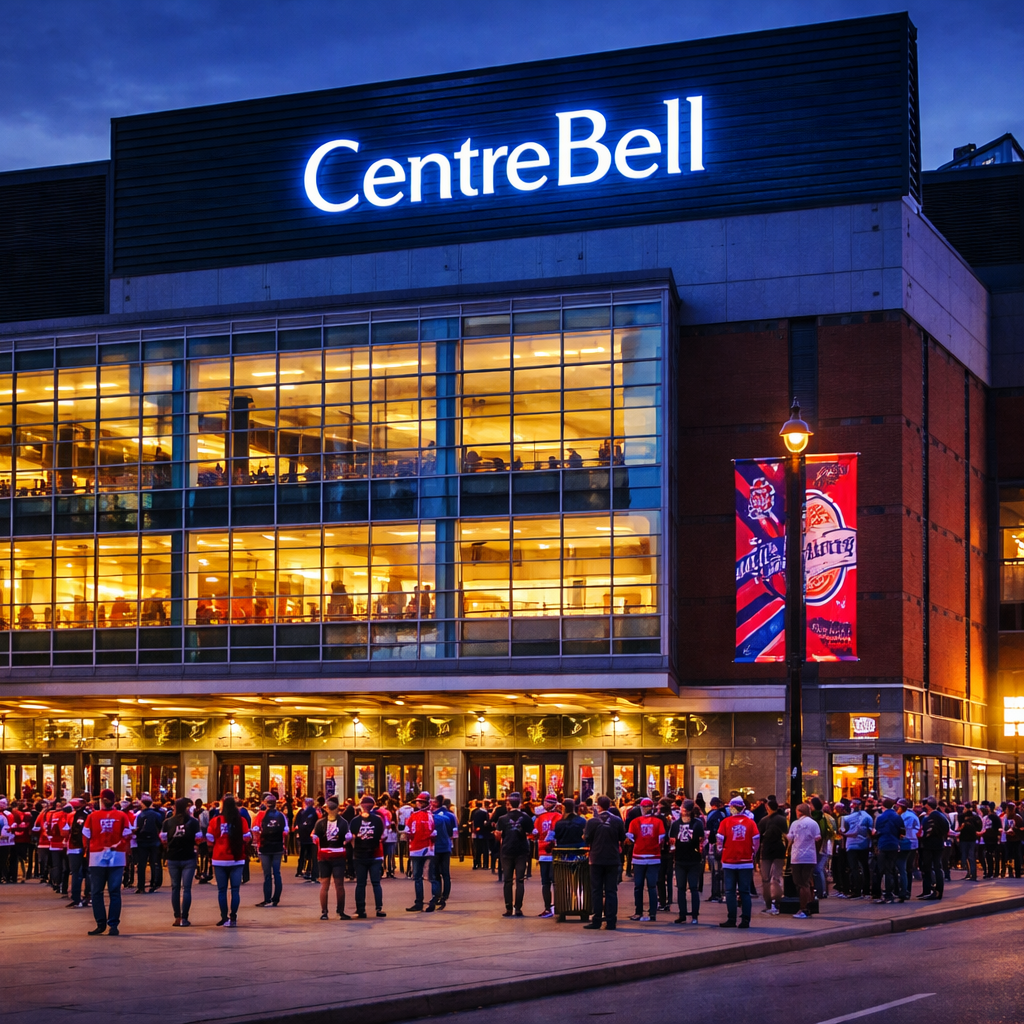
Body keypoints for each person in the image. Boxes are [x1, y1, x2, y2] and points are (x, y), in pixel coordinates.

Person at [82, 788, 132, 936]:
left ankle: (100, 923)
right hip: (117, 856)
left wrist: (88, 850)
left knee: (97, 891)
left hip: (97, 856)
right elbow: (128, 835)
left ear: (102, 801)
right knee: (114, 892)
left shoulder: (92, 816)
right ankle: (113, 925)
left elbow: (86, 835)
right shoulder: (122, 816)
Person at [206, 795, 250, 927]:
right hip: (237, 859)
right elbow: (247, 838)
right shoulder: (241, 821)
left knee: (222, 890)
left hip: (219, 859)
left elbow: (209, 839)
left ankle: (224, 917)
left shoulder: (215, 821)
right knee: (235, 890)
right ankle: (234, 916)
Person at [583, 795, 626, 931]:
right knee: (611, 891)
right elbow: (622, 837)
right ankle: (611, 921)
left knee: (596, 890)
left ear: (598, 806)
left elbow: (587, 839)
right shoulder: (617, 820)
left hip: (596, 858)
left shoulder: (592, 821)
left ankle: (596, 920)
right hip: (612, 858)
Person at [717, 795, 759, 928]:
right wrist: (753, 853)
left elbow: (719, 841)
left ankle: (731, 918)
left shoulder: (725, 822)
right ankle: (746, 919)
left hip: (729, 860)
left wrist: (721, 851)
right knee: (744, 891)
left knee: (730, 891)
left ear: (732, 807)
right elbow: (756, 840)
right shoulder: (750, 822)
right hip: (746, 861)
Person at [160, 797, 202, 926]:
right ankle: (185, 917)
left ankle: (177, 917)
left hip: (173, 856)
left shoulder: (168, 822)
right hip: (188, 856)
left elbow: (163, 840)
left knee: (175, 888)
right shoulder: (194, 822)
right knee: (187, 888)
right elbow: (198, 839)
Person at [625, 797, 665, 922]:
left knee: (638, 886)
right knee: (652, 886)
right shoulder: (658, 822)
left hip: (638, 857)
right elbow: (661, 839)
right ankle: (652, 913)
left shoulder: (635, 822)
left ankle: (638, 912)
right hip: (654, 857)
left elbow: (630, 838)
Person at [495, 792, 533, 918]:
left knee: (507, 880)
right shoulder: (526, 817)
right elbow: (531, 832)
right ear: (520, 803)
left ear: (509, 803)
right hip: (521, 850)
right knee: (520, 880)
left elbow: (498, 834)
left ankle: (508, 908)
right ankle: (518, 908)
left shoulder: (502, 818)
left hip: (507, 850)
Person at [312, 797, 350, 920]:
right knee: (338, 885)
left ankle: (325, 912)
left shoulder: (320, 822)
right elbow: (347, 836)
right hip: (337, 855)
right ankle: (340, 911)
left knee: (325, 885)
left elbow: (314, 835)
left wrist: (315, 838)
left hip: (324, 855)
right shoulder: (343, 822)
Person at [348, 795, 386, 918]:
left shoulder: (355, 821)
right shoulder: (378, 819)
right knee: (376, 883)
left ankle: (360, 909)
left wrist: (355, 847)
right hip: (375, 854)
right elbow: (383, 836)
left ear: (361, 805)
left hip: (359, 855)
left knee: (360, 883)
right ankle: (379, 908)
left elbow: (351, 837)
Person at [669, 798, 705, 925]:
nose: (681, 811)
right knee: (682, 888)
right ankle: (684, 914)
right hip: (682, 859)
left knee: (691, 888)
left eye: (683, 809)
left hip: (691, 859)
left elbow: (701, 839)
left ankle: (692, 914)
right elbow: (672, 840)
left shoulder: (696, 823)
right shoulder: (677, 824)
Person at [786, 802, 822, 918]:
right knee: (807, 881)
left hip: (797, 856)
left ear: (799, 812)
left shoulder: (795, 824)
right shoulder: (813, 823)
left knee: (801, 883)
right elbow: (818, 838)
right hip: (810, 856)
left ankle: (803, 908)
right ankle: (808, 905)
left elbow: (790, 838)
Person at [253, 793, 289, 907]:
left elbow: (255, 829)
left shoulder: (261, 815)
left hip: (265, 847)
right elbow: (286, 831)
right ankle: (276, 898)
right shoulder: (281, 816)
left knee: (267, 874)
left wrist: (258, 839)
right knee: (277, 873)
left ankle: (267, 898)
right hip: (278, 847)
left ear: (265, 803)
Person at [405, 791, 437, 912]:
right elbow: (435, 834)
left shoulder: (412, 816)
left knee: (417, 877)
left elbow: (407, 833)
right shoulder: (433, 816)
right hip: (429, 848)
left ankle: (419, 902)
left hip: (415, 849)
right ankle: (433, 900)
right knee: (432, 876)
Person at [756, 796, 788, 915]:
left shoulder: (764, 821)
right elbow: (787, 836)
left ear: (767, 807)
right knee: (776, 876)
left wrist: (756, 856)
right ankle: (777, 900)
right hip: (779, 849)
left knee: (766, 879)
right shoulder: (782, 819)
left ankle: (769, 903)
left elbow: (758, 839)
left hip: (766, 850)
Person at [871, 797, 905, 904]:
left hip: (883, 844)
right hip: (894, 844)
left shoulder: (880, 818)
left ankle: (883, 893)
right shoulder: (897, 817)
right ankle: (892, 893)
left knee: (881, 870)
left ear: (883, 806)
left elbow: (875, 832)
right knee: (891, 869)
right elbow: (902, 832)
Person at [532, 794, 561, 918]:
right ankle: (558, 906)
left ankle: (547, 908)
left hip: (543, 852)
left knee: (545, 882)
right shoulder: (559, 817)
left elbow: (534, 834)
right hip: (556, 852)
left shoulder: (540, 818)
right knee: (556, 882)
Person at [917, 796, 950, 900]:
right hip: (936, 844)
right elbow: (946, 828)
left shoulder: (933, 816)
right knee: (934, 867)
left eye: (925, 804)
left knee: (930, 867)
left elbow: (927, 830)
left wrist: (928, 835)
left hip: (931, 844)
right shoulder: (938, 815)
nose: (923, 806)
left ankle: (934, 890)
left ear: (928, 805)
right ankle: (929, 890)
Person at [839, 798, 872, 899]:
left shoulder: (846, 818)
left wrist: (844, 834)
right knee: (865, 866)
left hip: (852, 845)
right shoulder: (867, 817)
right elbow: (871, 831)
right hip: (864, 844)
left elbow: (843, 831)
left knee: (854, 868)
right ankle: (866, 890)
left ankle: (857, 890)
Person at [428, 796, 457, 911]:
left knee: (436, 873)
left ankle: (437, 895)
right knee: (445, 873)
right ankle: (444, 896)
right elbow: (453, 832)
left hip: (437, 847)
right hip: (446, 846)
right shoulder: (450, 815)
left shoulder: (435, 816)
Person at [132, 793, 164, 894]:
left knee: (142, 864)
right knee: (154, 863)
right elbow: (160, 827)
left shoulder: (140, 815)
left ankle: (140, 886)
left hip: (142, 841)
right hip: (154, 841)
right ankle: (154, 883)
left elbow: (137, 828)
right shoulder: (157, 814)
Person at [705, 797, 727, 902]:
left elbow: (708, 829)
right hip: (724, 843)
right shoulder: (724, 814)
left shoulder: (711, 814)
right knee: (722, 870)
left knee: (715, 870)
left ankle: (715, 893)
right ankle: (724, 893)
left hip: (714, 844)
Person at [295, 796, 320, 882]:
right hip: (311, 836)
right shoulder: (315, 812)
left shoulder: (302, 812)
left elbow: (297, 823)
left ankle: (300, 869)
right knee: (310, 855)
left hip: (304, 836)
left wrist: (298, 831)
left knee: (303, 853)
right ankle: (308, 870)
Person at [470, 799, 492, 870]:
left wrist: (475, 829)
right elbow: (487, 823)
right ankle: (485, 864)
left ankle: (477, 863)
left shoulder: (475, 812)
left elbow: (473, 822)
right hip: (484, 832)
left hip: (477, 832)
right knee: (485, 849)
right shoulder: (485, 813)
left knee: (477, 848)